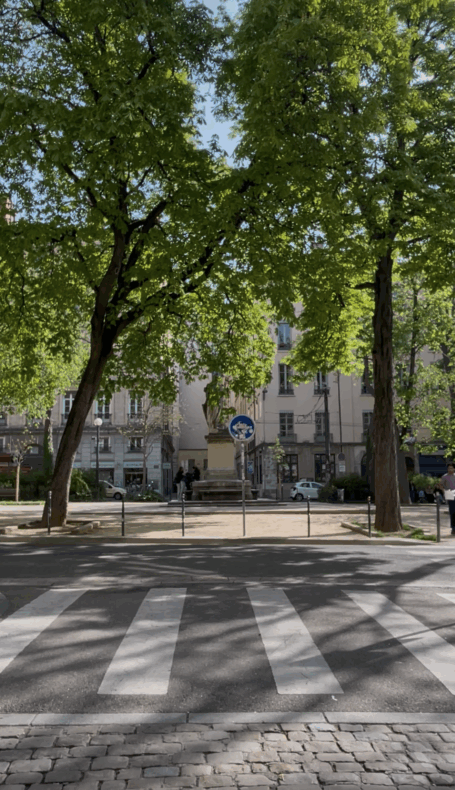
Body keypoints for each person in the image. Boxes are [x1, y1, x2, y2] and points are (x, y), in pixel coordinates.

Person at [438, 463, 455, 535]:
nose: (450, 470)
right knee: (453, 512)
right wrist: (444, 491)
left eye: (451, 468)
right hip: (450, 496)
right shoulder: (445, 476)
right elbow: (440, 485)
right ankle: (453, 528)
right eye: (448, 468)